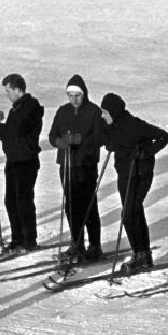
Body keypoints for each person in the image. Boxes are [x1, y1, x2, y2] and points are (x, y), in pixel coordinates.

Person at [98, 92, 168, 274]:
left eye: (105, 112)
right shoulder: (111, 124)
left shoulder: (134, 125)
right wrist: (110, 143)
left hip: (140, 174)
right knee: (134, 212)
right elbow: (107, 137)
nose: (103, 116)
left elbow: (163, 136)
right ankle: (143, 255)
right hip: (124, 173)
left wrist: (144, 151)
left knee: (129, 213)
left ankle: (140, 254)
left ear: (114, 112)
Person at [0, 73, 45, 255]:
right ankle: (17, 239)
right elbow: (10, 136)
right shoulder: (17, 109)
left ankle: (29, 240)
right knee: (11, 202)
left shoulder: (30, 107)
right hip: (14, 160)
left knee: (23, 201)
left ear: (18, 90)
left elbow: (16, 131)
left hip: (26, 161)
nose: (8, 95)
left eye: (9, 91)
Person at [48, 74, 105, 264]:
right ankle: (76, 244)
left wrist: (80, 140)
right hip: (66, 164)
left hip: (86, 164)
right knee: (71, 206)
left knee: (88, 205)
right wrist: (59, 142)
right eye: (70, 96)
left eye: (77, 95)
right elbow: (52, 135)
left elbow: (99, 138)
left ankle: (95, 245)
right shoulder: (63, 111)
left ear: (84, 94)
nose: (74, 99)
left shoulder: (93, 111)